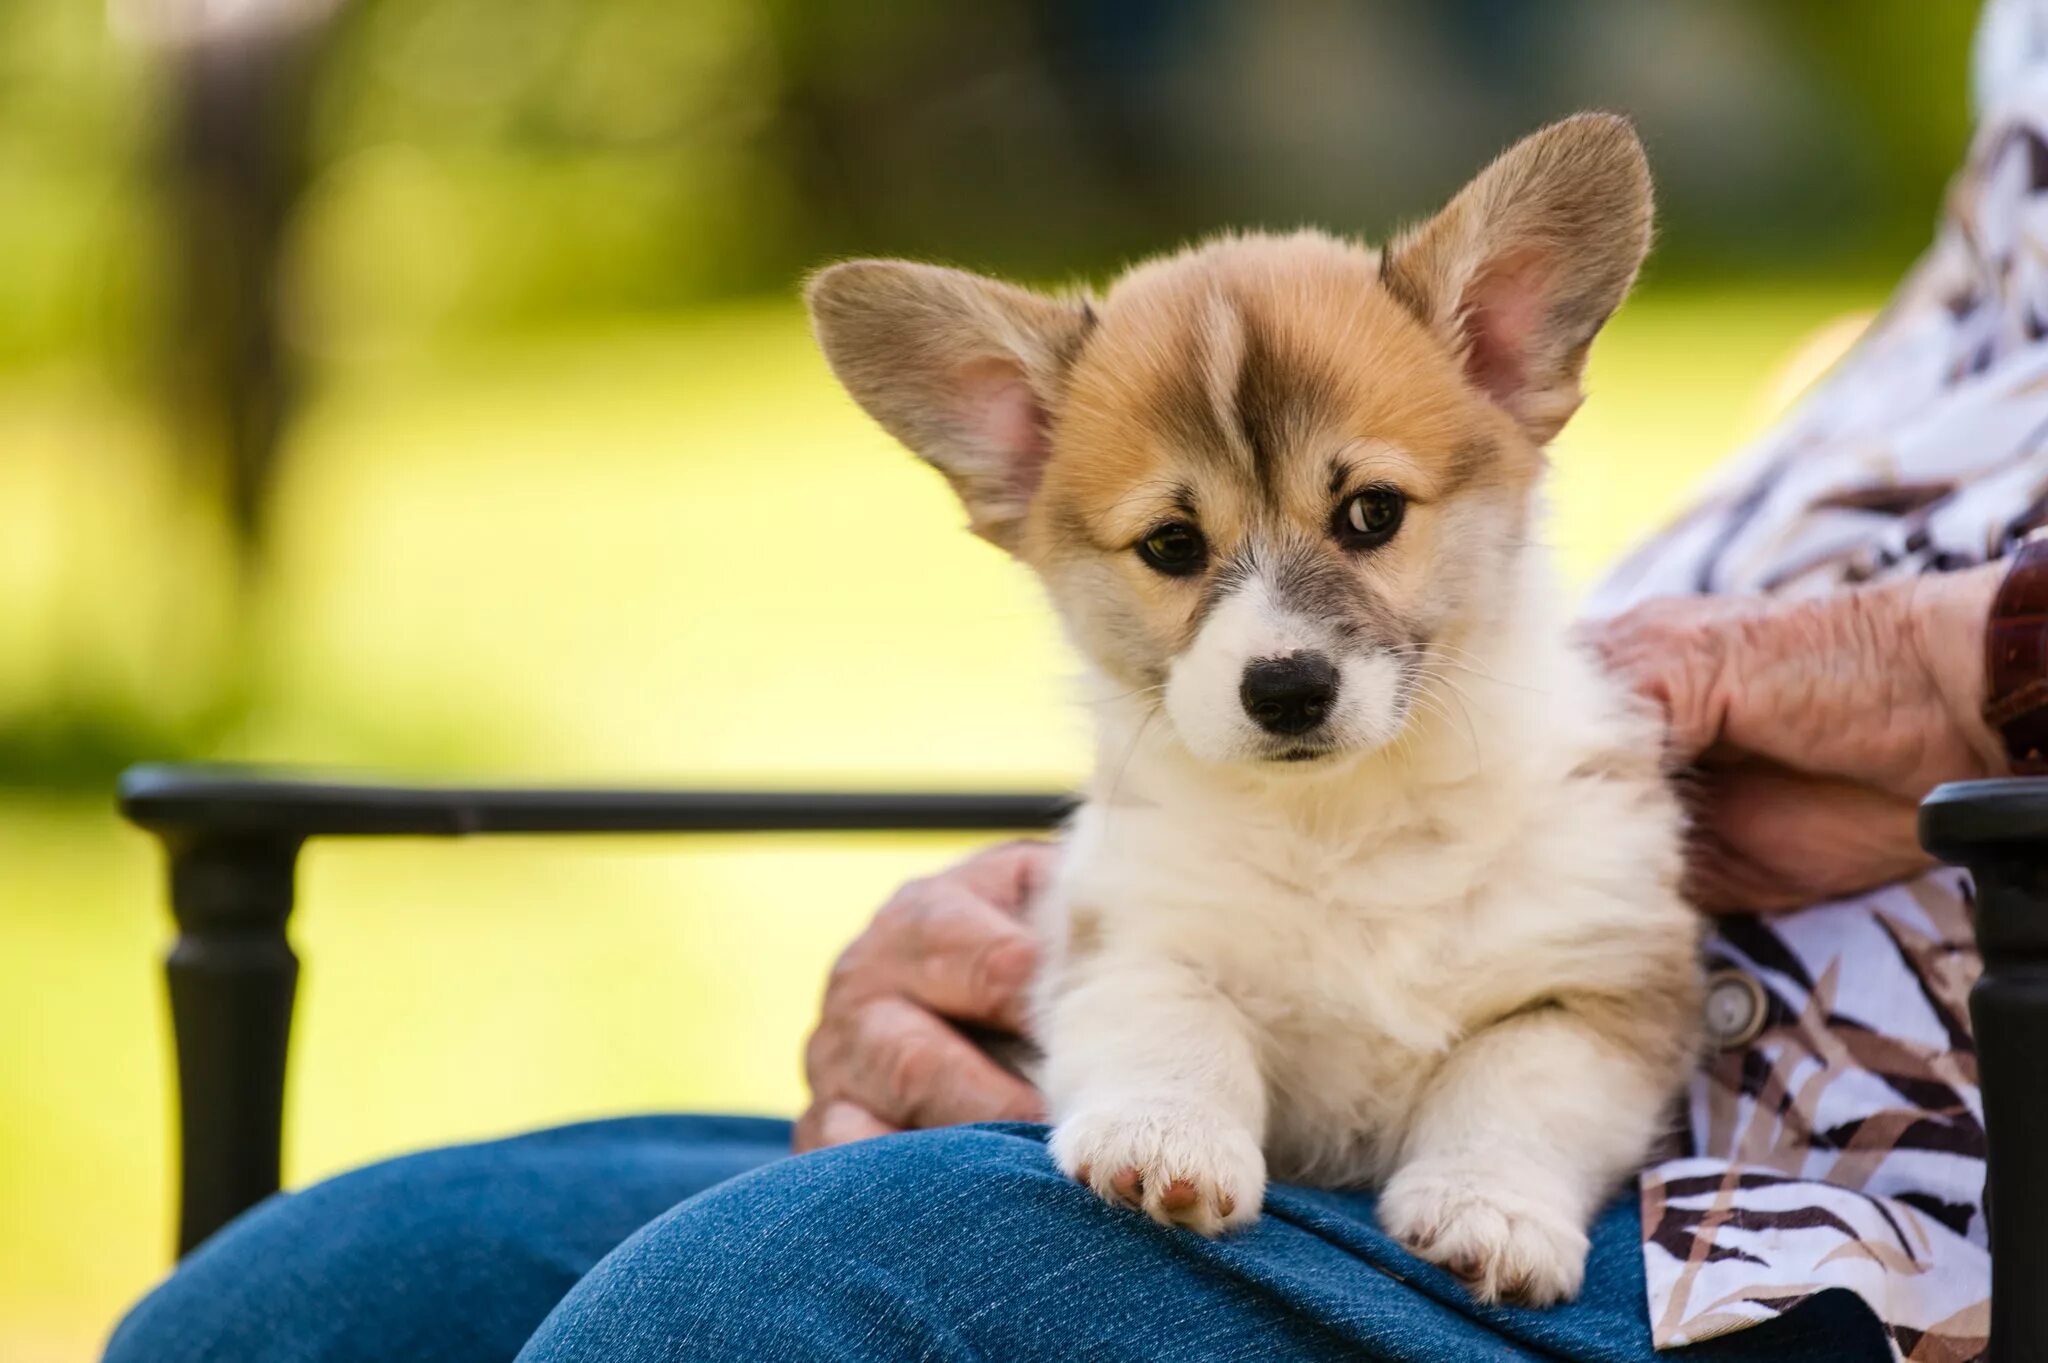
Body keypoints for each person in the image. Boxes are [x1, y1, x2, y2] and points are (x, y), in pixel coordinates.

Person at [105, 1, 2048, 1357]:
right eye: (1184, 550)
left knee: (752, 1313)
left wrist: (1966, 669)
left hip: (1862, 1228)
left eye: (1359, 518)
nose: (1277, 632)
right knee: (292, 1304)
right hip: (1381, 1037)